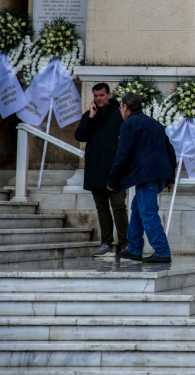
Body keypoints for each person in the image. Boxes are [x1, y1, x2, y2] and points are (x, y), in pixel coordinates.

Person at [108, 92, 177, 264]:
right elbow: (170, 151)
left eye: (121, 108)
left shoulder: (130, 124)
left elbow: (123, 154)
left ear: (125, 108)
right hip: (159, 174)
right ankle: (134, 248)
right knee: (138, 209)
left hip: (146, 176)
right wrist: (170, 177)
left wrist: (112, 181)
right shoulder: (155, 123)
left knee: (147, 212)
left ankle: (162, 251)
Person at [74, 82, 126, 257]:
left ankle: (126, 245)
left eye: (101, 95)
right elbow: (79, 136)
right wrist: (90, 116)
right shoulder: (90, 114)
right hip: (95, 168)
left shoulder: (120, 113)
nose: (98, 99)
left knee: (119, 206)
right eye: (96, 96)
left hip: (115, 168)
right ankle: (106, 243)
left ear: (109, 95)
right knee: (101, 208)